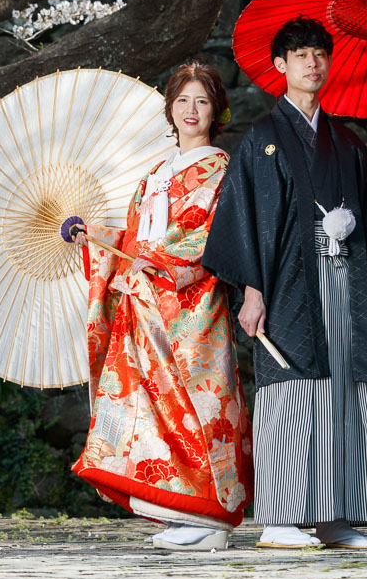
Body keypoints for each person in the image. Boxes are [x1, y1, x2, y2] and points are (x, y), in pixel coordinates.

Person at [202, 15, 367, 550]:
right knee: (290, 390)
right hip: (286, 283)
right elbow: (246, 218)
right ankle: (281, 517)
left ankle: (334, 518)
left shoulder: (348, 142)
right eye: (300, 55)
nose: (312, 63)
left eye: (320, 54)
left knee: (342, 389)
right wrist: (252, 290)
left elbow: (363, 218)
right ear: (281, 65)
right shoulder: (263, 137)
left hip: (342, 280)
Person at [64, 62, 253, 551]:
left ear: (217, 111)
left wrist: (159, 260)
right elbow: (135, 237)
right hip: (144, 301)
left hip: (190, 306)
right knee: (148, 408)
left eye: (202, 101)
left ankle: (211, 517)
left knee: (199, 405)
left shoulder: (220, 169)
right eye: (182, 100)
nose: (191, 110)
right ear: (170, 108)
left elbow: (210, 236)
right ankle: (178, 509)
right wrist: (95, 237)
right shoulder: (156, 172)